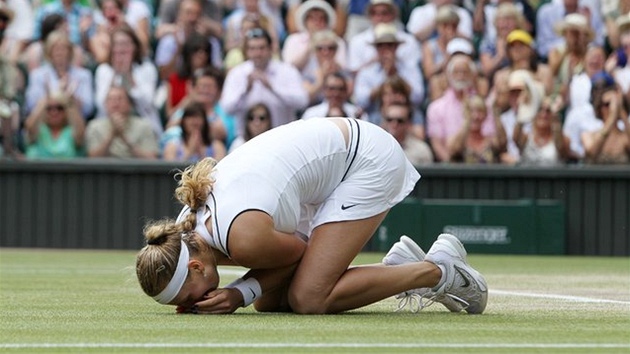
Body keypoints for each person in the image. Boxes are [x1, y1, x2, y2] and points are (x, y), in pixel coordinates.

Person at [135, 117, 488, 315]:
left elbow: (301, 252)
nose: (191, 306)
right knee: (270, 302)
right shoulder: (188, 224)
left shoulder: (242, 236)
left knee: (309, 298)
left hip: (365, 160)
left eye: (187, 298)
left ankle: (439, 270)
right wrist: (245, 292)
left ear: (196, 268)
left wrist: (237, 294)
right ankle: (396, 271)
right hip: (325, 172)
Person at [220, 28, 308, 135]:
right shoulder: (237, 73)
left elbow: (302, 102)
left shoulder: (287, 71)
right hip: (247, 141)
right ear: (246, 51)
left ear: (270, 49)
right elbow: (226, 109)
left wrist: (273, 88)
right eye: (252, 49)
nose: (257, 53)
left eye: (262, 48)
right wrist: (245, 90)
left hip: (282, 137)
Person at [85, 85, 158, 159]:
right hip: (105, 169)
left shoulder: (144, 126)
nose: (115, 103)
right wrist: (112, 135)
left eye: (120, 99)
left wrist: (124, 138)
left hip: (135, 169)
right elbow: (92, 158)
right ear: (105, 105)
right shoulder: (94, 126)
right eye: (111, 99)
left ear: (130, 104)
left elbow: (151, 159)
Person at [581, 73, 630, 164]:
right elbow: (591, 152)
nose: (611, 108)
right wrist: (612, 117)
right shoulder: (588, 135)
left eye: (612, 104)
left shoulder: (625, 136)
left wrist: (621, 111)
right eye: (607, 104)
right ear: (599, 108)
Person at [23, 90, 85, 159]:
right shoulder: (39, 131)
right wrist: (44, 102)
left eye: (59, 108)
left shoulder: (71, 132)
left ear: (66, 111)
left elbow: (80, 132)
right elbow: (29, 127)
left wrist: (69, 102)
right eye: (49, 108)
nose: (54, 112)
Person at [448, 94, 507, 164]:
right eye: (471, 111)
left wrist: (496, 113)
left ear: (485, 115)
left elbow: (502, 142)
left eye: (480, 111)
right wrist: (467, 120)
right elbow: (455, 149)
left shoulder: (491, 140)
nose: (476, 116)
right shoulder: (456, 139)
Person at [301, 72, 365, 120]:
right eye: (332, 89)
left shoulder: (356, 113)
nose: (336, 93)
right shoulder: (311, 114)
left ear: (346, 91)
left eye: (340, 89)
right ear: (324, 90)